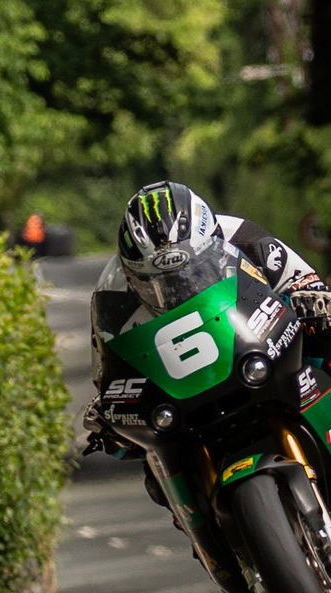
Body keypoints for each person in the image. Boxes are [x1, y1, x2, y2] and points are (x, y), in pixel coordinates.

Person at [85, 179, 331, 459]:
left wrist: (312, 297)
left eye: (191, 272)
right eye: (152, 282)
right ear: (131, 275)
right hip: (180, 394)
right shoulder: (111, 293)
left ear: (213, 243)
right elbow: (104, 369)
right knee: (145, 459)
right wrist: (103, 406)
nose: (174, 289)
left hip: (254, 347)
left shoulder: (242, 235)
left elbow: (299, 278)